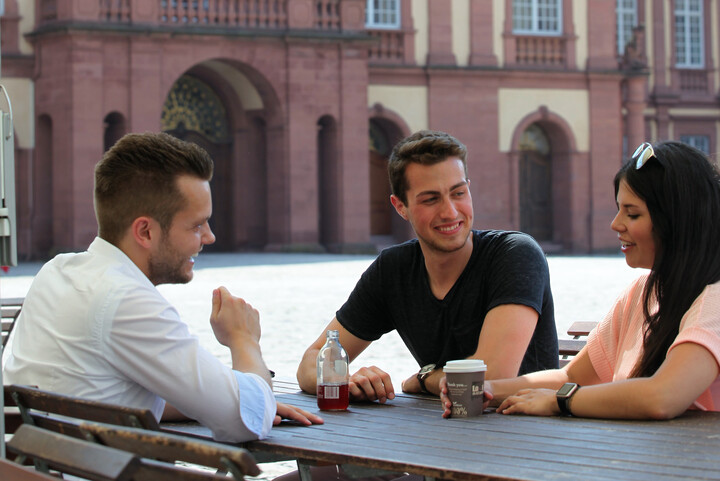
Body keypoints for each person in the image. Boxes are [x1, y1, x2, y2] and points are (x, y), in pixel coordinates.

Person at [3, 132, 322, 442]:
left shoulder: (57, 272)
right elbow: (243, 422)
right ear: (145, 232)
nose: (209, 237)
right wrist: (244, 342)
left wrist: (235, 397)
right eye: (196, 225)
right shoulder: (126, 300)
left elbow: (103, 394)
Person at [441, 141, 720, 419]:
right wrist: (485, 388)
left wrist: (561, 402)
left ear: (677, 219)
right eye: (618, 209)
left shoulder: (715, 300)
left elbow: (662, 396)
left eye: (632, 213)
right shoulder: (644, 291)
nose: (616, 223)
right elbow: (572, 375)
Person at [297, 129, 559, 403]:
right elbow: (311, 361)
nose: (450, 212)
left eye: (458, 193)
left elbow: (489, 379)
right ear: (400, 207)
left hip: (527, 432)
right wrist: (342, 379)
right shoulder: (394, 270)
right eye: (431, 199)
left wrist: (424, 378)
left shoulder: (515, 254)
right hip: (441, 432)